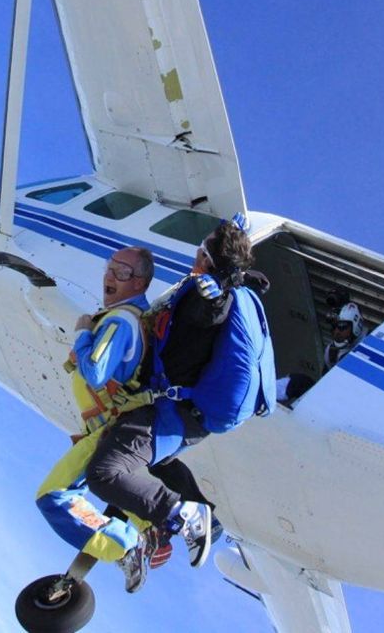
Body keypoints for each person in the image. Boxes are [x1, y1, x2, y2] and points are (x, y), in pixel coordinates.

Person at [86, 217, 264, 579]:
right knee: (152, 465)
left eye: (201, 246)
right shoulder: (208, 289)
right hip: (185, 415)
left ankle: (180, 514)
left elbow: (208, 311)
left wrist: (214, 289)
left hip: (168, 411)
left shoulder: (206, 296)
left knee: (104, 472)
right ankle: (198, 520)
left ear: (206, 258)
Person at [34, 246, 159, 592]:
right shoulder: (129, 318)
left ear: (140, 283)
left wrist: (85, 332)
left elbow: (95, 373)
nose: (109, 276)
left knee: (52, 495)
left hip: (108, 428)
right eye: (110, 267)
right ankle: (152, 526)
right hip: (111, 426)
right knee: (113, 483)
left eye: (122, 273)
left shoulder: (119, 321)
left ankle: (126, 545)